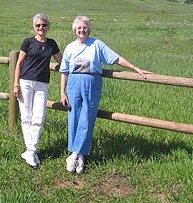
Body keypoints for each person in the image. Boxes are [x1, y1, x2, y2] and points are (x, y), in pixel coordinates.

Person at [59, 16, 149, 174]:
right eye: (79, 28)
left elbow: (115, 58)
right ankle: (76, 154)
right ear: (74, 30)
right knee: (74, 116)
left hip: (92, 83)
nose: (82, 30)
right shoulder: (70, 47)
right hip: (74, 84)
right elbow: (65, 72)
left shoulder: (97, 44)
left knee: (87, 117)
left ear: (89, 28)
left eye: (85, 27)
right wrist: (62, 91)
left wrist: (135, 68)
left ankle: (76, 154)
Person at [14, 13, 63, 168]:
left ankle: (30, 151)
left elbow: (61, 61)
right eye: (38, 25)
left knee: (39, 117)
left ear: (48, 26)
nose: (41, 27)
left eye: (44, 25)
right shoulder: (28, 42)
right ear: (34, 27)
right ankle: (31, 150)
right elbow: (19, 63)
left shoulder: (52, 44)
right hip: (25, 82)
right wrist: (16, 84)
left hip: (42, 84)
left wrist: (76, 67)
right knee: (26, 117)